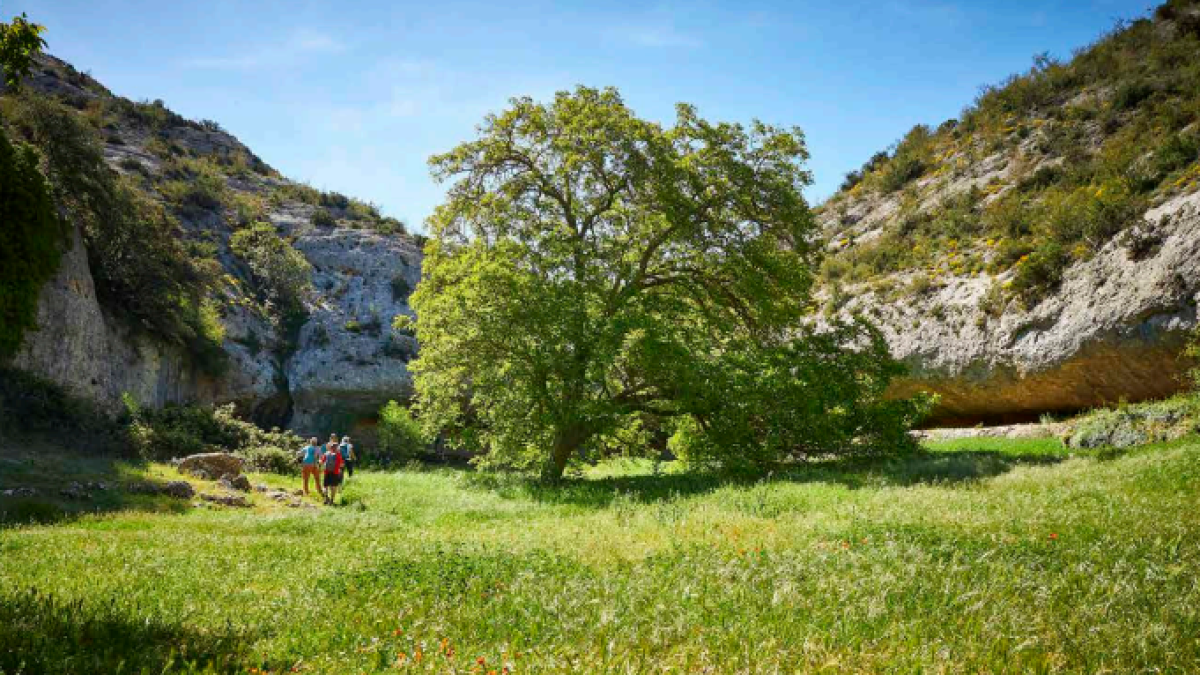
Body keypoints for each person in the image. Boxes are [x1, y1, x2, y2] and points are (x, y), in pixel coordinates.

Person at [321, 439, 345, 505]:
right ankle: (331, 501)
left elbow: (321, 462)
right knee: (333, 487)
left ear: (330, 447)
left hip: (327, 472)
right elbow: (342, 464)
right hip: (335, 473)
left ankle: (326, 498)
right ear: (336, 448)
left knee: (325, 486)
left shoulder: (326, 453)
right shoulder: (338, 455)